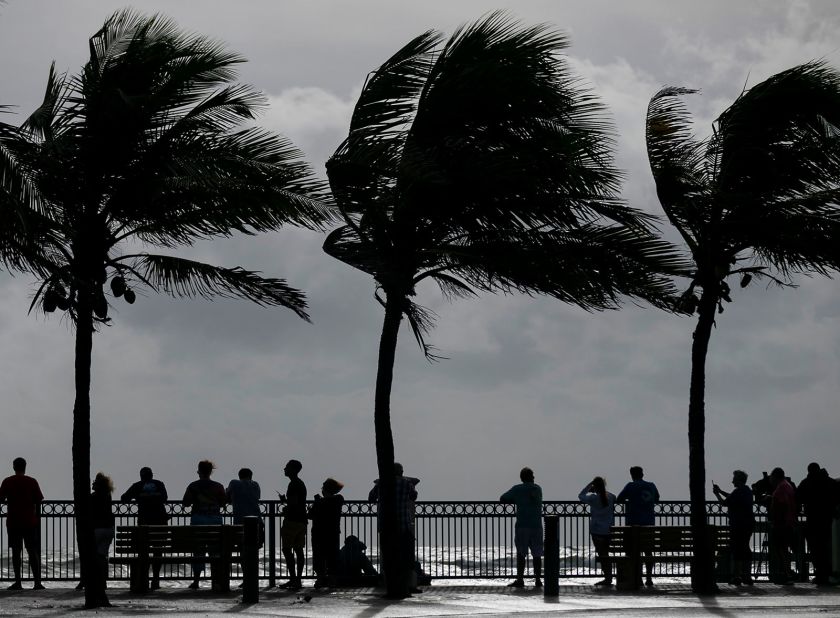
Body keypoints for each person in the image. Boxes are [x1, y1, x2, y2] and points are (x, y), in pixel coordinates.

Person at [368, 462, 421, 595]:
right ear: (401, 472)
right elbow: (414, 496)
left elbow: (371, 498)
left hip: (387, 526)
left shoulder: (381, 483)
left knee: (390, 557)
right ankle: (407, 586)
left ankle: (391, 584)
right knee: (406, 557)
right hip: (404, 525)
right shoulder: (407, 483)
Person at [0, 457, 45, 590]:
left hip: (14, 521)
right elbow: (39, 499)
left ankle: (18, 582)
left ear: (14, 467)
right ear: (25, 467)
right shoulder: (32, 481)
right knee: (32, 551)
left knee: (16, 551)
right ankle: (37, 582)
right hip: (30, 521)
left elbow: (1, 498)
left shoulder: (8, 481)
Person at [121, 466, 168, 589]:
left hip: (144, 523)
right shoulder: (159, 484)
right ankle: (156, 579)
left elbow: (124, 498)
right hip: (160, 521)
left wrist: (139, 496)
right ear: (152, 475)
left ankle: (144, 578)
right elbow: (165, 498)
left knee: (144, 550)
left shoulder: (137, 486)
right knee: (158, 550)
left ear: (141, 476)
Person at [183, 459, 227, 590]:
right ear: (211, 471)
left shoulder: (193, 486)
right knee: (215, 551)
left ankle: (196, 581)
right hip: (214, 519)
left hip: (198, 519)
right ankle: (216, 582)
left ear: (198, 471)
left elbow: (185, 503)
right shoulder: (218, 486)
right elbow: (224, 503)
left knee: (198, 550)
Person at [616, 466, 660, 587]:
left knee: (634, 551)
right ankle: (649, 578)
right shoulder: (651, 485)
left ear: (632, 475)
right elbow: (657, 498)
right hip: (649, 524)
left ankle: (638, 577)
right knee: (648, 552)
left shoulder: (630, 486)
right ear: (643, 474)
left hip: (633, 524)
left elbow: (619, 499)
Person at [500, 467, 543, 589]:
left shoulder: (517, 489)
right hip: (536, 525)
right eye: (532, 475)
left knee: (521, 553)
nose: (534, 477)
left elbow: (502, 498)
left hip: (523, 525)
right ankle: (538, 579)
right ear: (529, 477)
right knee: (537, 554)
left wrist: (515, 500)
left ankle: (520, 579)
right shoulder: (538, 488)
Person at [796, 463, 838, 585]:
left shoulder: (808, 482)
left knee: (815, 548)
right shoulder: (830, 482)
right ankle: (831, 572)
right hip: (828, 519)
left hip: (813, 519)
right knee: (828, 547)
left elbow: (798, 496)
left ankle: (821, 574)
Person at [712, 470, 755, 585]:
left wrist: (716, 493)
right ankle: (747, 575)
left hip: (738, 525)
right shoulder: (747, 491)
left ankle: (737, 576)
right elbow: (731, 497)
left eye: (734, 479)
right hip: (748, 524)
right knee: (745, 549)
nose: (732, 481)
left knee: (737, 550)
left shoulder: (738, 492)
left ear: (738, 480)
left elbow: (724, 503)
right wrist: (721, 491)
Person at [578, 476, 616, 586]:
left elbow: (580, 495)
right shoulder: (610, 497)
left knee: (602, 554)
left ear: (595, 486)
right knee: (606, 554)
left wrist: (590, 486)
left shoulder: (593, 498)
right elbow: (615, 497)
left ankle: (607, 578)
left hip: (597, 531)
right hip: (608, 530)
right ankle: (608, 577)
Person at [309, 477, 345, 588]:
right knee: (332, 556)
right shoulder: (338, 500)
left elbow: (310, 515)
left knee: (319, 556)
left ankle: (321, 579)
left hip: (319, 532)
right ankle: (332, 580)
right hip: (332, 532)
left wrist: (317, 502)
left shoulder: (320, 502)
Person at [277, 459, 307, 590]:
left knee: (287, 549)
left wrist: (285, 505)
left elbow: (293, 503)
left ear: (293, 470)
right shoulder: (300, 483)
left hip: (292, 520)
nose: (284, 469)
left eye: (286, 467)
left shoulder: (293, 484)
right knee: (299, 550)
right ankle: (298, 580)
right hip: (301, 520)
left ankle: (293, 579)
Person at [89, 472, 116, 606]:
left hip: (98, 528)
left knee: (95, 557)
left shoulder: (94, 497)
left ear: (97, 485)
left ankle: (96, 581)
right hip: (109, 528)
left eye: (94, 482)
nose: (92, 483)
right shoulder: (107, 495)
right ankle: (103, 580)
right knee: (102, 556)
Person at [767, 467, 797, 585]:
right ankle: (787, 572)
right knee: (783, 549)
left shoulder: (781, 488)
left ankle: (786, 573)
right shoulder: (788, 486)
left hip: (781, 523)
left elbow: (782, 505)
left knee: (781, 549)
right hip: (788, 521)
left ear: (775, 477)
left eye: (771, 477)